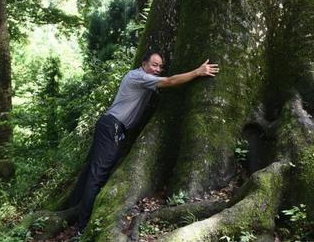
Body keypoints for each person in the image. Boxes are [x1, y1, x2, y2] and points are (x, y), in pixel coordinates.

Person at [75, 51, 219, 233]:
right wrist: (197, 72)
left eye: (160, 66)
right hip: (112, 126)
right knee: (98, 175)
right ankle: (81, 227)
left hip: (112, 127)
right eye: (154, 65)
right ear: (144, 64)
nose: (158, 69)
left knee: (95, 172)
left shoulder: (140, 78)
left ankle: (81, 219)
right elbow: (169, 82)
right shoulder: (139, 77)